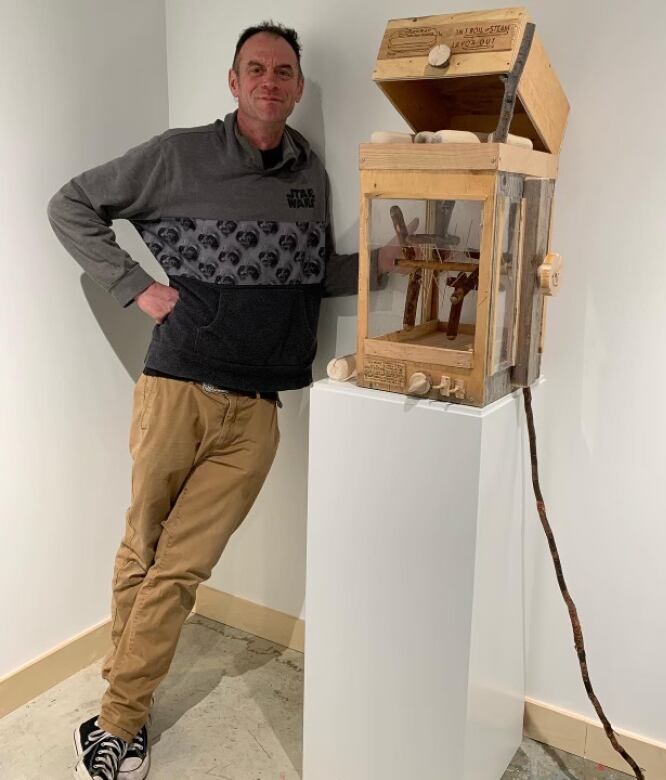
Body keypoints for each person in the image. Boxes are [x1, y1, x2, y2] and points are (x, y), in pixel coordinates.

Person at [48, 22, 393, 780]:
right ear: (233, 82)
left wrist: (380, 265)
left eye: (284, 72)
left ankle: (116, 712)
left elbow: (304, 276)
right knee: (145, 551)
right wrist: (137, 287)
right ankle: (121, 719)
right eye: (256, 69)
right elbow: (72, 205)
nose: (271, 82)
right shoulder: (178, 155)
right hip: (177, 387)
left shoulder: (310, 174)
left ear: (298, 88)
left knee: (180, 567)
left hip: (259, 408)